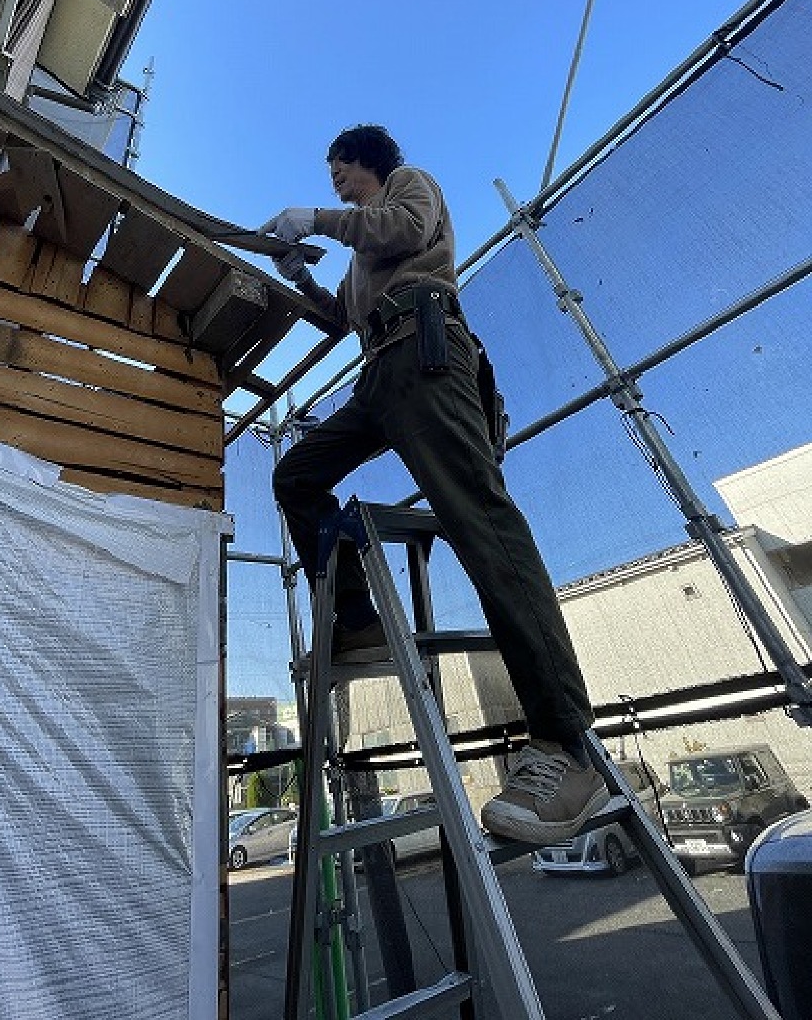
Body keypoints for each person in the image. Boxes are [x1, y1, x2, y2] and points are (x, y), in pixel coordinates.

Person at [260, 123, 607, 845]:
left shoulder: (408, 187)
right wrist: (300, 273)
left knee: (479, 520)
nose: (339, 191)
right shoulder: (362, 257)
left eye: (342, 178)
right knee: (297, 473)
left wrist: (319, 220)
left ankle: (567, 743)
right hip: (380, 373)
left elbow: (403, 226)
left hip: (425, 349)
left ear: (370, 165)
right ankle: (356, 619)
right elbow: (338, 317)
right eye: (332, 188)